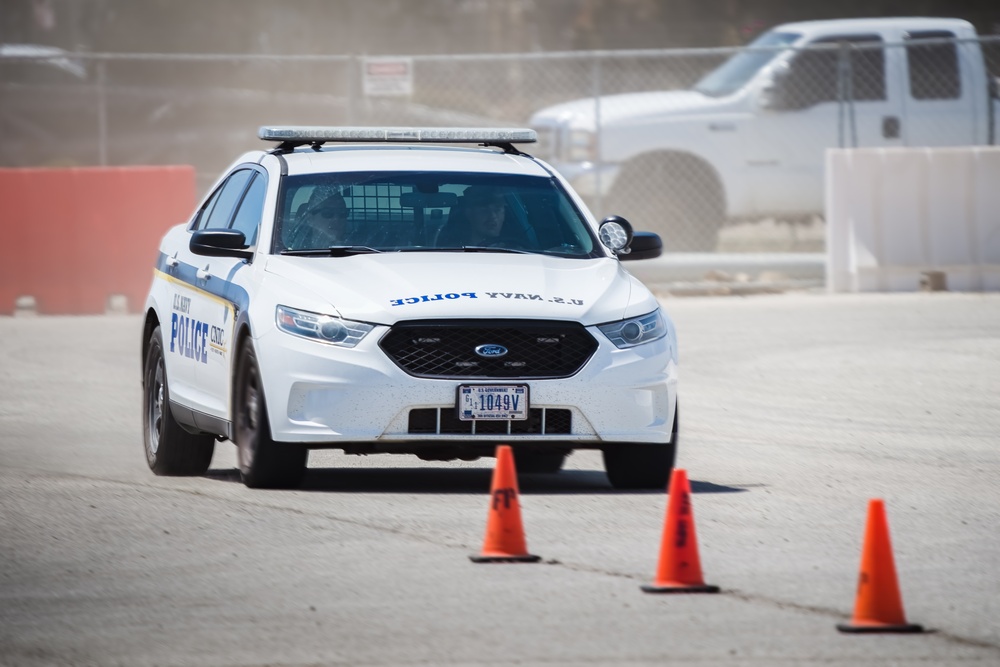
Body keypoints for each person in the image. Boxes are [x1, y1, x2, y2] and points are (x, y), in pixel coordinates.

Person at [437, 185, 509, 247]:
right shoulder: (451, 251)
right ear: (469, 213)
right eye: (484, 209)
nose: (493, 216)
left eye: (498, 209)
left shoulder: (515, 251)